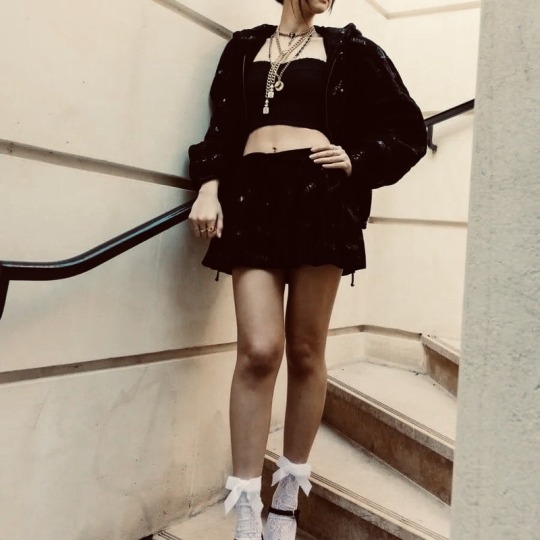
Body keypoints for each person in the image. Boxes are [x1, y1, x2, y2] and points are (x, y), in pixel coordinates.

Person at [188, 1, 427, 538]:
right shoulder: (243, 47)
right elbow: (223, 127)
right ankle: (245, 507)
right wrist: (208, 187)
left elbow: (407, 128)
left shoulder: (351, 49)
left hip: (319, 199)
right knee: (258, 351)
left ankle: (286, 498)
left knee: (303, 350)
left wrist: (359, 160)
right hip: (252, 198)